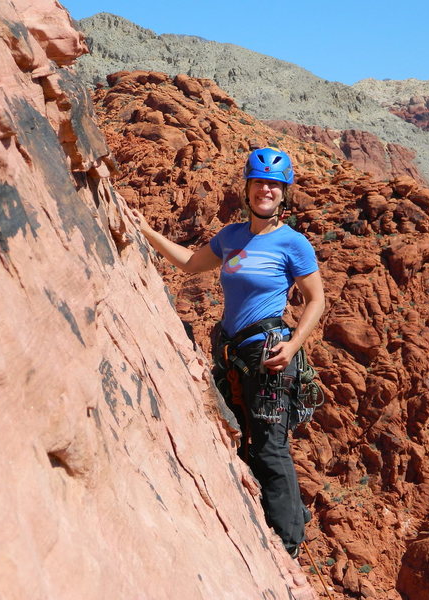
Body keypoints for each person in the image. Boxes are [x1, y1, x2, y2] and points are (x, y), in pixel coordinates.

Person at [127, 147, 325, 557]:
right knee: (243, 437)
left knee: (270, 446)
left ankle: (288, 545)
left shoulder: (293, 243)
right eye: (258, 183)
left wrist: (293, 345)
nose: (265, 190)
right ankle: (277, 520)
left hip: (269, 352)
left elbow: (316, 300)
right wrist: (145, 230)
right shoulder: (232, 236)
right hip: (232, 353)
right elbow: (189, 264)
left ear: (284, 193)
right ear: (248, 189)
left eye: (273, 185)